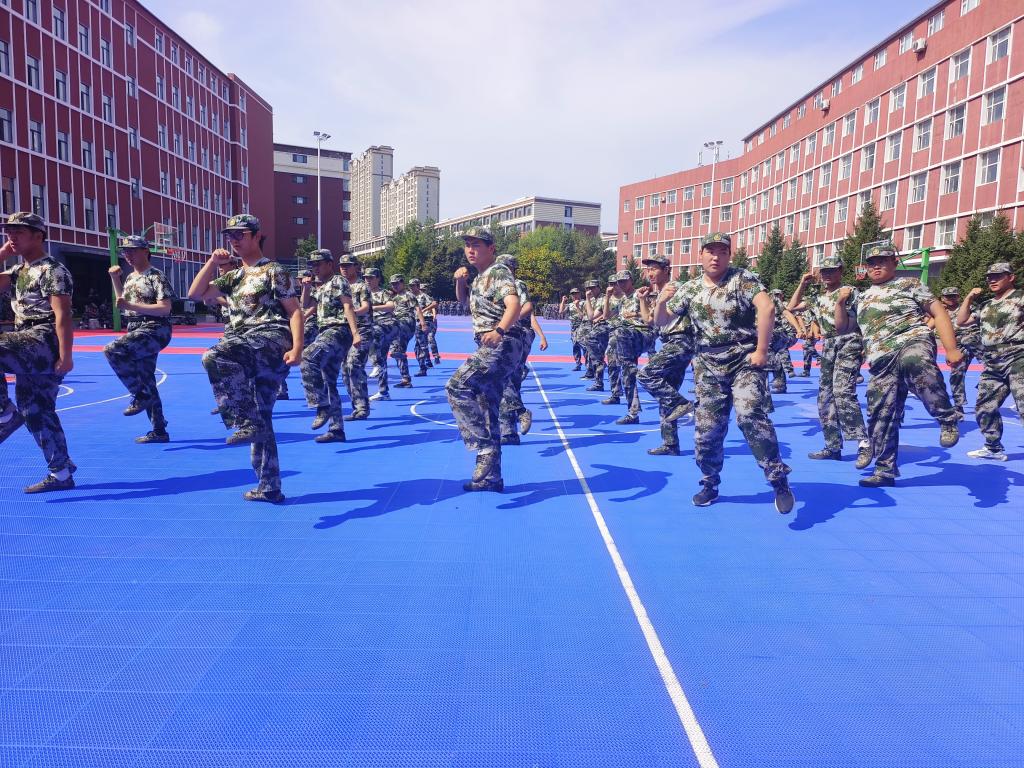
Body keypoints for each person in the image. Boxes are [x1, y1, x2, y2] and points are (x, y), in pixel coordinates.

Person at [654, 232, 795, 513]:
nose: (716, 257)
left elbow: (767, 307)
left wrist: (762, 351)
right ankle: (709, 483)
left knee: (750, 414)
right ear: (701, 255)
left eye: (722, 251)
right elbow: (661, 321)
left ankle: (778, 479)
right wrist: (660, 301)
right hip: (708, 365)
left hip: (744, 360)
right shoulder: (690, 289)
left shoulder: (742, 279)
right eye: (711, 251)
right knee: (707, 431)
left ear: (729, 255)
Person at [187, 214, 303, 503]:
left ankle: (242, 419)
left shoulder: (273, 271)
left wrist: (298, 348)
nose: (234, 240)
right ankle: (269, 486)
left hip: (270, 340)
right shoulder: (234, 276)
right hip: (245, 347)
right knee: (262, 415)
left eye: (240, 234)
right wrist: (211, 262)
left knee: (214, 355)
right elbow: (195, 294)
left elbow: (294, 311)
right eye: (230, 235)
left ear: (256, 235)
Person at [840, 243, 962, 488]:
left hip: (911, 340)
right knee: (880, 415)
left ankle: (947, 417)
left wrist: (951, 348)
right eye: (871, 263)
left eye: (882, 261)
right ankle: (884, 471)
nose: (876, 266)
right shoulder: (862, 297)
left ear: (894, 263)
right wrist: (839, 304)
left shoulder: (910, 284)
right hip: (880, 361)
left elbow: (939, 313)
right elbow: (843, 328)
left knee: (915, 362)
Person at [0, 212, 77, 493]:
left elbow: (63, 314)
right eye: (9, 232)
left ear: (38, 236)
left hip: (43, 338)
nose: (11, 236)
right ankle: (61, 472)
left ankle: (4, 412)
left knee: (31, 409)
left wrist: (66, 356)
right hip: (26, 341)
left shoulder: (52, 270)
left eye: (19, 232)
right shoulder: (18, 272)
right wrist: (2, 254)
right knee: (36, 410)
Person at [447, 227, 524, 492]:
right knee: (487, 407)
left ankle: (483, 446)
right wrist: (460, 282)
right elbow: (464, 303)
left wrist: (499, 330)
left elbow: (514, 305)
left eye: (477, 245)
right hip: (493, 343)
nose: (470, 249)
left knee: (456, 386)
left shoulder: (498, 271)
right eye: (467, 245)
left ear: (491, 249)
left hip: (502, 342)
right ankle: (492, 478)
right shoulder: (480, 278)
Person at [787, 256, 872, 467]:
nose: (827, 275)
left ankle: (863, 443)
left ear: (841, 271)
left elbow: (864, 318)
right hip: (829, 344)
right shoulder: (817, 298)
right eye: (824, 271)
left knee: (843, 391)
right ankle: (833, 446)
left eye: (832, 270)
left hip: (849, 341)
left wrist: (866, 345)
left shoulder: (849, 292)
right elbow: (791, 307)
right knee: (825, 397)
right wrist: (802, 284)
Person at [104, 235, 175, 444]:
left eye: (133, 250)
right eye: (126, 251)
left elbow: (165, 308)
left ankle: (140, 394)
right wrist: (115, 279)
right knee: (146, 378)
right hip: (135, 327)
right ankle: (159, 430)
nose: (128, 254)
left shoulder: (156, 276)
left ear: (146, 251)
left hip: (155, 328)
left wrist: (131, 306)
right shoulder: (129, 278)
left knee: (112, 350)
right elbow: (123, 303)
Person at [960, 262, 1023, 461]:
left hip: (1018, 357)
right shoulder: (986, 305)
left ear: (1010, 277)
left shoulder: (1020, 297)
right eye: (989, 277)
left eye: (997, 276)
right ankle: (993, 448)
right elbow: (961, 321)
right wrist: (969, 298)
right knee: (984, 406)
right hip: (993, 362)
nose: (992, 280)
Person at [299, 249, 360, 443]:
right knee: (328, 381)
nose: (315, 268)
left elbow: (348, 306)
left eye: (318, 264)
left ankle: (321, 404)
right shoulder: (320, 286)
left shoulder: (338, 281)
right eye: (312, 265)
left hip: (338, 330)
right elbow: (306, 304)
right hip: (325, 332)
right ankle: (336, 430)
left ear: (329, 264)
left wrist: (355, 333)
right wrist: (306, 288)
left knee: (308, 356)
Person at [638, 254, 694, 456]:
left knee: (646, 375)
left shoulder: (674, 289)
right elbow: (649, 320)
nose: (650, 273)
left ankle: (681, 403)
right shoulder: (661, 293)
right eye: (648, 269)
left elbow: (662, 319)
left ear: (666, 270)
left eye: (654, 269)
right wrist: (643, 300)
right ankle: (671, 444)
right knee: (666, 394)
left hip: (680, 340)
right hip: (671, 342)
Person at [497, 254, 548, 445]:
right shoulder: (499, 288)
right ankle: (509, 432)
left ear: (511, 269)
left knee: (505, 377)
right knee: (509, 381)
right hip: (506, 335)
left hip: (517, 336)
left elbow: (528, 308)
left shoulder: (516, 284)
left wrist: (509, 320)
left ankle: (520, 412)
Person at [929, 286, 981, 421]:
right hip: (957, 347)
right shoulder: (939, 312)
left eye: (954, 296)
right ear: (942, 298)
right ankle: (959, 405)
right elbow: (928, 327)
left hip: (975, 341)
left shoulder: (968, 307)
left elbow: (978, 319)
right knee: (956, 374)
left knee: (994, 365)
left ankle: (986, 381)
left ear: (958, 297)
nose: (951, 299)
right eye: (948, 297)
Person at [612, 270, 650, 425]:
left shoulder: (639, 295)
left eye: (624, 281)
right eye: (619, 282)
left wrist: (634, 314)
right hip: (626, 338)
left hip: (641, 333)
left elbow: (650, 316)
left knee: (630, 370)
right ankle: (632, 412)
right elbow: (608, 315)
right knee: (627, 372)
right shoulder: (622, 300)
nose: (621, 284)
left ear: (631, 280)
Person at [338, 254, 373, 420]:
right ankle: (357, 406)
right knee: (345, 371)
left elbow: (365, 307)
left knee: (354, 365)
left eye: (348, 265)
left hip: (362, 330)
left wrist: (351, 313)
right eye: (342, 266)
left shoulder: (361, 287)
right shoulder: (338, 287)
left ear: (355, 267)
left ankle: (362, 407)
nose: (344, 268)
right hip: (344, 332)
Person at [388, 274, 424, 388]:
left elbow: (417, 308)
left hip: (406, 323)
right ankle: (406, 379)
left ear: (402, 283)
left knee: (393, 330)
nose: (394, 286)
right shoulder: (394, 298)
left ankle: (394, 349)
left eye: (396, 283)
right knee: (399, 352)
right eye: (392, 284)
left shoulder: (408, 295)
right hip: (397, 324)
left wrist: (423, 323)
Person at [366, 267, 397, 401]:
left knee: (374, 335)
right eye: (366, 277)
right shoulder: (362, 293)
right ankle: (383, 391)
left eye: (371, 277)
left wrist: (373, 308)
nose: (367, 280)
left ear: (378, 279)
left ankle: (375, 364)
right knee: (382, 360)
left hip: (384, 325)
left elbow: (391, 306)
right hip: (369, 326)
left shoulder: (383, 293)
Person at [581, 279, 609, 389]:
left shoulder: (604, 299)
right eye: (588, 288)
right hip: (597, 328)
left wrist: (587, 299)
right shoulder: (593, 300)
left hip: (606, 328)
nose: (590, 290)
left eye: (593, 288)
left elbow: (592, 316)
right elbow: (589, 316)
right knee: (597, 357)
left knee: (589, 340)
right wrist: (588, 299)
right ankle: (598, 383)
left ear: (598, 287)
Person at [409, 278, 440, 369]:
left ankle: (434, 356)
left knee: (428, 339)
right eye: (410, 286)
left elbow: (434, 303)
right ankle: (426, 362)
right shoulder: (410, 297)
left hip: (426, 320)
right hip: (416, 321)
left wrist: (424, 310)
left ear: (418, 286)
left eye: (413, 285)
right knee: (419, 344)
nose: (411, 287)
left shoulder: (423, 296)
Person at [559, 288, 585, 371]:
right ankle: (578, 363)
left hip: (583, 327)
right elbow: (561, 312)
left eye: (576, 293)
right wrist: (563, 301)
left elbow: (583, 316)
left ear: (579, 294)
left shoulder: (584, 303)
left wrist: (577, 307)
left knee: (585, 346)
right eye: (573, 294)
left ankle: (591, 364)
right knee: (575, 345)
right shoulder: (570, 305)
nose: (574, 295)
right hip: (574, 327)